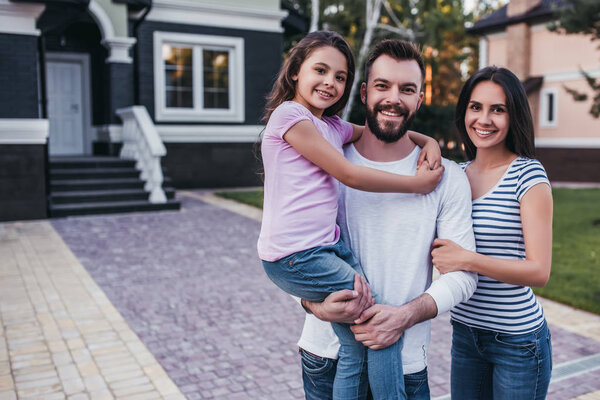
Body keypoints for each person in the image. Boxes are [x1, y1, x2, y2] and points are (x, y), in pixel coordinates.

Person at [257, 31, 444, 399]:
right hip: (297, 255)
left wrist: (430, 141)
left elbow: (375, 131)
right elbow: (349, 174)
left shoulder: (330, 127)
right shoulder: (289, 116)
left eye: (340, 76)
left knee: (359, 340)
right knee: (376, 324)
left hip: (324, 249)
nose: (330, 82)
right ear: (295, 71)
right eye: (320, 70)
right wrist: (415, 185)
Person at [298, 39, 478, 400]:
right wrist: (314, 305)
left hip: (405, 362)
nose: (394, 98)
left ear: (419, 99)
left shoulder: (447, 177)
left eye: (407, 89)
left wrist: (405, 315)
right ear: (365, 92)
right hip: (327, 356)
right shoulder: (327, 161)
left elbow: (463, 277)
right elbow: (294, 252)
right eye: (383, 86)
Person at [431, 66, 553, 399]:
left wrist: (467, 260)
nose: (484, 119)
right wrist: (425, 141)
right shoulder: (454, 175)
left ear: (513, 116)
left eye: (497, 109)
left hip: (517, 341)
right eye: (476, 107)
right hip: (466, 333)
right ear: (464, 112)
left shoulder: (527, 175)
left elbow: (539, 271)